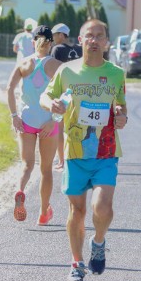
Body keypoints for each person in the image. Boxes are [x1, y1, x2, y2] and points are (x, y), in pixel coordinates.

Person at [40, 19, 127, 281]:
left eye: (99, 36)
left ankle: (98, 241)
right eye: (89, 35)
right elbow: (45, 96)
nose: (94, 40)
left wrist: (121, 116)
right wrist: (51, 104)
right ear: (80, 40)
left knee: (102, 206)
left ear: (106, 42)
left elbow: (120, 106)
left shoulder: (116, 73)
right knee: (76, 211)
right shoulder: (67, 71)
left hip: (106, 150)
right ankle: (77, 264)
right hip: (75, 152)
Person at [7, 25, 62, 225]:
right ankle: (43, 212)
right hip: (48, 122)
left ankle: (20, 190)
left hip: (27, 119)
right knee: (46, 169)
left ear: (33, 42)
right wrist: (54, 120)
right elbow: (67, 95)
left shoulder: (24, 63)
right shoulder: (56, 65)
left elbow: (9, 89)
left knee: (27, 165)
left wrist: (14, 115)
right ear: (51, 43)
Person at [49, 23, 83, 172]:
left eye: (55, 35)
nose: (53, 38)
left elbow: (52, 71)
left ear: (62, 35)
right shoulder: (80, 49)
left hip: (63, 93)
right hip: (81, 92)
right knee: (79, 125)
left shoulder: (57, 49)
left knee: (60, 127)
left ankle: (62, 160)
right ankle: (79, 157)